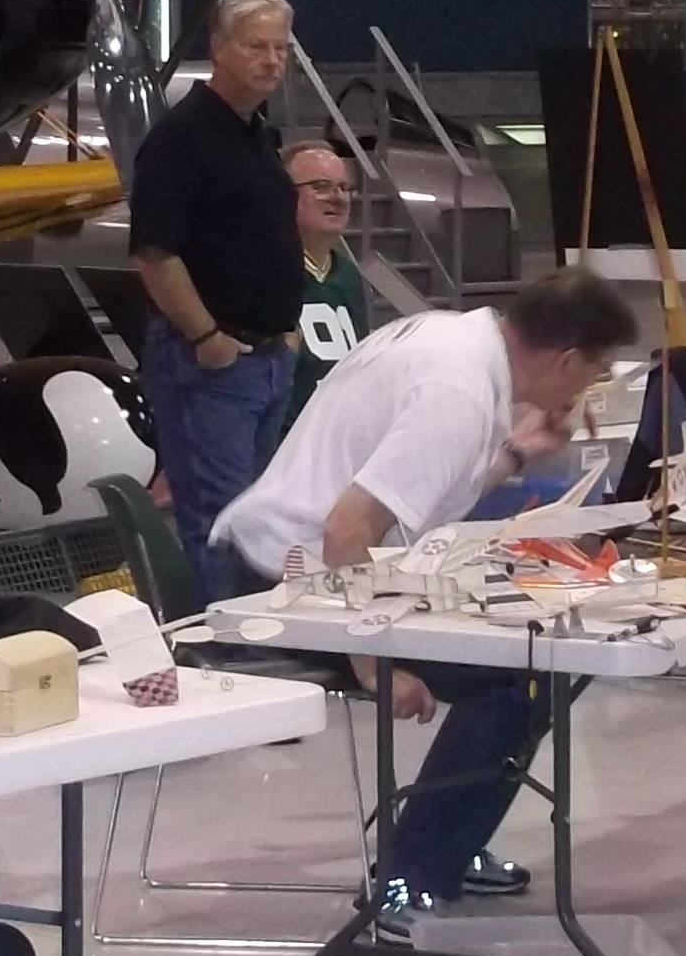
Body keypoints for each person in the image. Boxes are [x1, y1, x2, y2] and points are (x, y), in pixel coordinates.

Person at [209, 266, 640, 921]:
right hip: (287, 586)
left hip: (309, 565)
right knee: (521, 673)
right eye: (595, 373)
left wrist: (517, 453)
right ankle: (405, 883)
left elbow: (418, 497)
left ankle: (447, 847)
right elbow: (346, 531)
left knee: (523, 657)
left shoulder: (451, 337)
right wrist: (375, 664)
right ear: (566, 360)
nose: (587, 390)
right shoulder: (458, 392)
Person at [128, 0, 304, 567]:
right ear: (219, 47)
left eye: (281, 48)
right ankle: (216, 624)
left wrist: (284, 331)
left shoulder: (257, 135)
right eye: (257, 46)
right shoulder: (181, 139)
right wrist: (206, 337)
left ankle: (251, 619)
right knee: (218, 522)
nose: (272, 60)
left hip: (267, 360)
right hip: (211, 366)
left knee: (255, 519)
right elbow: (154, 252)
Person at [276, 141, 372, 448]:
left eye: (344, 188)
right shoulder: (264, 271)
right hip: (280, 448)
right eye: (320, 187)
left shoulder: (348, 275)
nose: (338, 197)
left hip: (338, 444)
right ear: (282, 194)